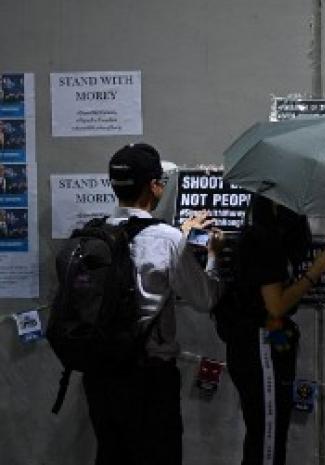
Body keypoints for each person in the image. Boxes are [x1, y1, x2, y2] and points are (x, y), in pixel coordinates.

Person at [82, 143, 224, 465]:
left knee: (111, 455)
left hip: (100, 377)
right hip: (149, 380)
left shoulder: (95, 234)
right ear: (155, 186)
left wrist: (178, 233)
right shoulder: (168, 239)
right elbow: (207, 298)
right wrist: (213, 257)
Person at [223, 194, 325, 465]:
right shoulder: (263, 241)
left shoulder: (266, 238)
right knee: (267, 438)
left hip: (261, 341)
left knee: (265, 434)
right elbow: (276, 305)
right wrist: (318, 268)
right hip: (261, 343)